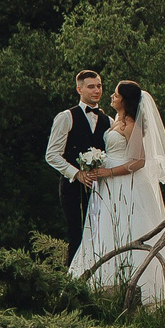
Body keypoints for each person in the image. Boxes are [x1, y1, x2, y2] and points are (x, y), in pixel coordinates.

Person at [68, 78, 165, 304]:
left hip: (125, 184)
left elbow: (138, 160)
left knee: (128, 227)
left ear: (125, 100)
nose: (111, 97)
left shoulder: (132, 125)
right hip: (109, 185)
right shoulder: (117, 120)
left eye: (116, 95)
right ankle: (101, 280)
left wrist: (108, 173)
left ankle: (139, 286)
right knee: (104, 228)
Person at [42, 69, 107, 250]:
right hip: (72, 188)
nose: (97, 90)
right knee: (76, 235)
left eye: (99, 86)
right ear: (79, 89)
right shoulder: (66, 117)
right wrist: (76, 173)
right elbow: (52, 154)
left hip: (101, 188)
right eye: (91, 87)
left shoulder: (108, 121)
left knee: (101, 235)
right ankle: (74, 277)